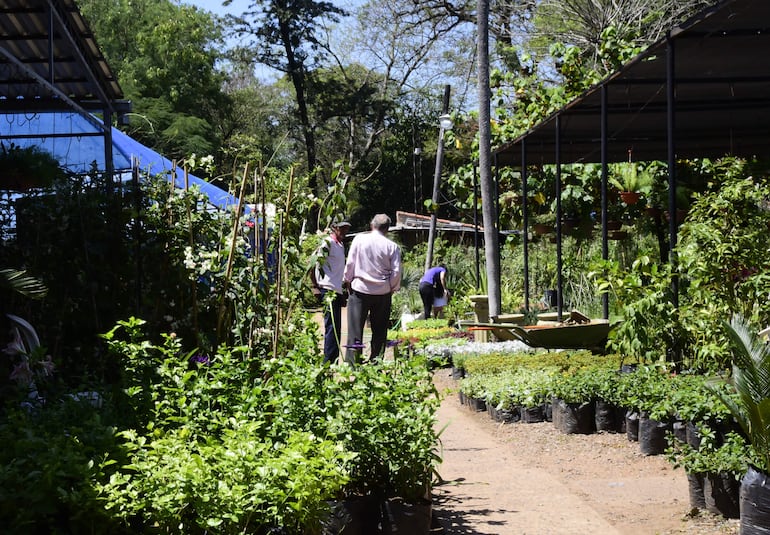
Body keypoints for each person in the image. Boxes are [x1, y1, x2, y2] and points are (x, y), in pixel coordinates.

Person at [343, 213, 401, 365]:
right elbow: (396, 272)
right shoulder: (392, 247)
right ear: (387, 229)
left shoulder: (360, 239)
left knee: (355, 329)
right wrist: (391, 287)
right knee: (380, 330)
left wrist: (347, 280)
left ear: (371, 225)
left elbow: (350, 263)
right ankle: (376, 361)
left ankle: (354, 362)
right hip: (382, 293)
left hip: (360, 290)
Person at [311, 219, 351, 364]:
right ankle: (327, 360)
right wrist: (315, 286)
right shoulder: (327, 243)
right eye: (342, 229)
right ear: (334, 228)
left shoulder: (339, 245)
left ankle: (333, 359)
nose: (344, 232)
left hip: (336, 290)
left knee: (336, 327)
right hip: (327, 289)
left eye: (346, 229)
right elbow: (314, 263)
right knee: (331, 326)